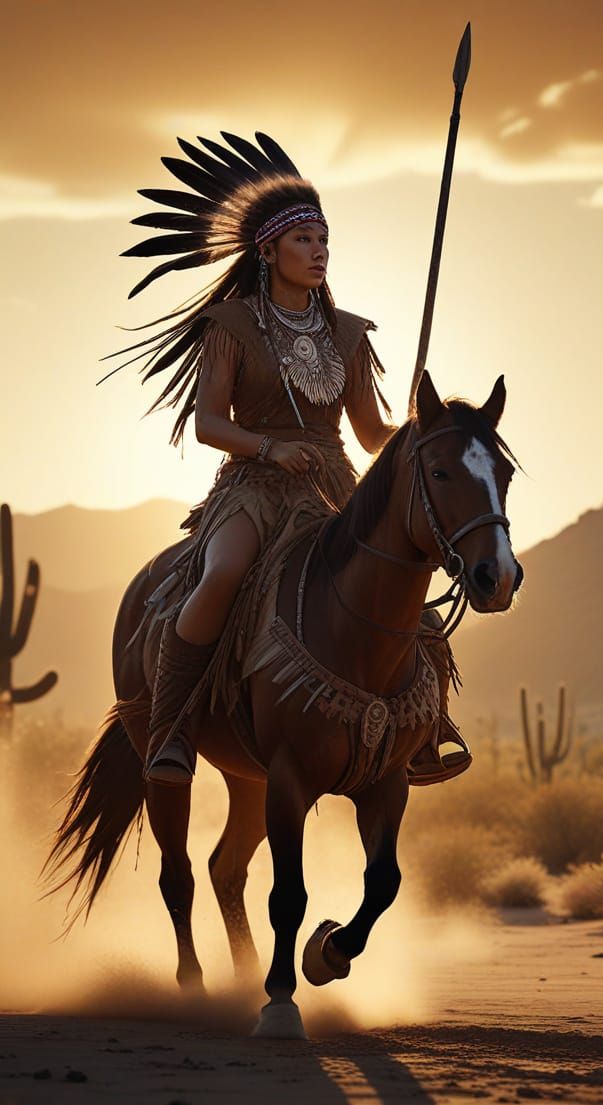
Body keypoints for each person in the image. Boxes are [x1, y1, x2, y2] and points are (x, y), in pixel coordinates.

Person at [108, 133, 395, 785]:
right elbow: (209, 424)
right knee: (223, 572)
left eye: (324, 241)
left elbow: (372, 432)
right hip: (254, 485)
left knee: (396, 576)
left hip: (333, 487)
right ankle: (171, 726)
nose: (318, 252)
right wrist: (269, 447)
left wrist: (420, 427)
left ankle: (422, 724)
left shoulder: (349, 334)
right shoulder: (233, 325)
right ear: (268, 250)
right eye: (303, 241)